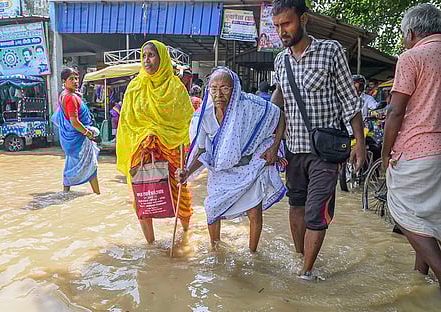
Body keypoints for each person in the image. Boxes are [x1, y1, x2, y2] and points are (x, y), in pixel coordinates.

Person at [271, 0, 365, 279]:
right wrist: (274, 146)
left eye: (286, 23)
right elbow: (282, 108)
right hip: (294, 149)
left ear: (304, 19)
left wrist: (359, 143)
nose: (282, 31)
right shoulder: (280, 60)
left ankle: (306, 273)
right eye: (277, 26)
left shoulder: (330, 51)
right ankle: (300, 257)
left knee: (316, 212)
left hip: (326, 151)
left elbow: (350, 102)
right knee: (295, 204)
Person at [178, 67, 288, 253]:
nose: (218, 94)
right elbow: (202, 151)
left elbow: (280, 116)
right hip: (220, 171)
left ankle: (253, 254)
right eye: (214, 89)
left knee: (254, 212)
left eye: (224, 88)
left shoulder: (250, 106)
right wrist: (187, 172)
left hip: (250, 167)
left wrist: (274, 147)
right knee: (212, 210)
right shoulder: (203, 116)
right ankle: (216, 252)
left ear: (234, 88)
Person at [382, 4, 441, 287]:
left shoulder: (412, 57)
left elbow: (395, 112)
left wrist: (385, 154)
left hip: (418, 150)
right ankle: (421, 279)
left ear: (413, 32)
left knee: (405, 213)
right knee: (429, 218)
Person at [116, 40, 194, 244]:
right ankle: (150, 245)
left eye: (151, 55)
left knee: (179, 194)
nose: (146, 60)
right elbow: (127, 121)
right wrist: (146, 134)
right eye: (144, 56)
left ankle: (185, 234)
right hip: (141, 148)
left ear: (162, 58)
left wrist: (163, 135)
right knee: (143, 195)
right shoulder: (135, 87)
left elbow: (187, 123)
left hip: (171, 150)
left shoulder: (176, 88)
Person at [51, 67, 101, 195]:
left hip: (69, 139)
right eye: (71, 79)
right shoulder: (71, 98)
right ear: (64, 81)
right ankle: (97, 195)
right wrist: (89, 134)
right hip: (79, 138)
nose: (75, 81)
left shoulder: (63, 94)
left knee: (70, 163)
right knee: (91, 166)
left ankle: (65, 192)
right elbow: (74, 122)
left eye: (76, 78)